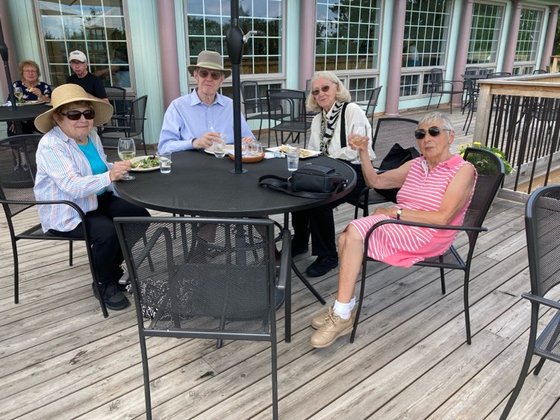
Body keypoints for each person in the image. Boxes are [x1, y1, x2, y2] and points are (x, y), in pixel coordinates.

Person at [309, 112, 477, 348]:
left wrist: (395, 212)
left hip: (430, 232)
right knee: (348, 237)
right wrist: (363, 151)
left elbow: (443, 217)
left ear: (450, 136)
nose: (426, 138)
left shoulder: (462, 170)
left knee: (353, 234)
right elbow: (376, 182)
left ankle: (343, 312)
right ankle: (343, 309)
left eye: (434, 132)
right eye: (420, 134)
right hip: (402, 225)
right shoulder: (417, 164)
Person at [33, 84, 150, 311]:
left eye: (88, 113)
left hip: (97, 199)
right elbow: (71, 185)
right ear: (58, 117)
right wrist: (109, 176)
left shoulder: (91, 135)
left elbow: (100, 167)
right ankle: (103, 283)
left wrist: (120, 168)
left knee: (139, 217)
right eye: (74, 114)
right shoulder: (51, 145)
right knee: (108, 232)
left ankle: (111, 268)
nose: (83, 119)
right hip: (68, 209)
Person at [291, 71, 375, 277]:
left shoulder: (351, 110)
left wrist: (326, 158)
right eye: (316, 91)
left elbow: (356, 149)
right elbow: (313, 151)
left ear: (337, 88)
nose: (321, 94)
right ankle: (300, 241)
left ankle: (328, 255)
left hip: (356, 171)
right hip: (328, 170)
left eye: (325, 88)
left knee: (319, 199)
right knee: (298, 187)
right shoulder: (317, 119)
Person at [158, 50, 254, 154]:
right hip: (192, 162)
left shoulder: (231, 106)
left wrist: (248, 142)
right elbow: (164, 147)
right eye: (204, 73)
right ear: (196, 76)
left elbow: (249, 138)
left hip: (226, 161)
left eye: (215, 75)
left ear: (221, 79)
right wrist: (194, 143)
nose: (209, 79)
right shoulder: (178, 107)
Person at [7, 60, 51, 135]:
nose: (30, 73)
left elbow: (51, 102)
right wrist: (13, 120)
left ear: (37, 73)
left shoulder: (44, 86)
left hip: (39, 118)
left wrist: (41, 95)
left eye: (33, 71)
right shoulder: (17, 85)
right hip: (21, 118)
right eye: (27, 71)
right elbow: (10, 103)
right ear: (22, 73)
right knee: (15, 129)